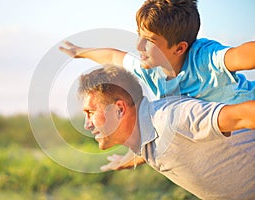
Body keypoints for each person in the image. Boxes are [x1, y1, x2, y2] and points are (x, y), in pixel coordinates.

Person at [59, 0, 255, 170]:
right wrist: (80, 52)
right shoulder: (150, 70)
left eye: (150, 41)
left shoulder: (204, 59)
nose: (138, 46)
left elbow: (241, 55)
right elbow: (112, 56)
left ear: (179, 48)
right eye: (139, 35)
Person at [78, 65, 255, 200]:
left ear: (119, 109)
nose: (87, 124)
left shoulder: (171, 118)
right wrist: (129, 160)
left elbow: (244, 115)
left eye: (90, 113)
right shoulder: (142, 138)